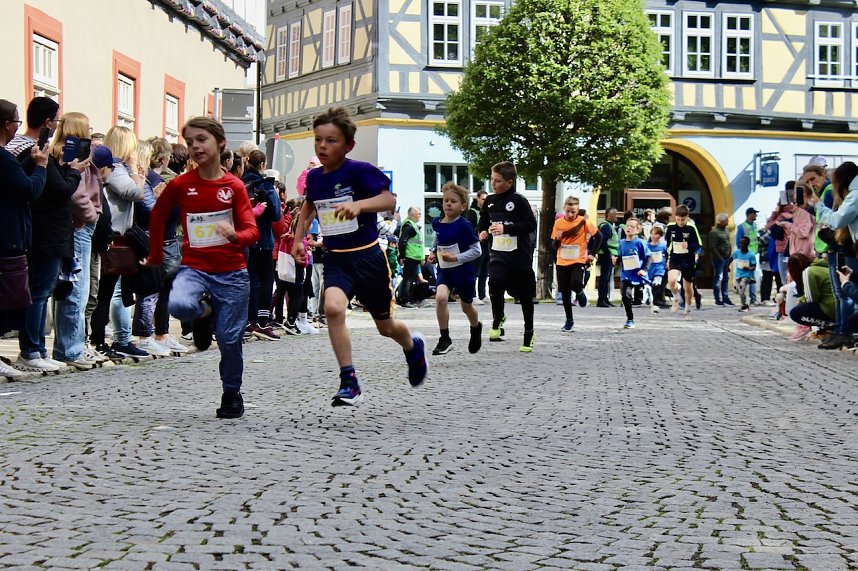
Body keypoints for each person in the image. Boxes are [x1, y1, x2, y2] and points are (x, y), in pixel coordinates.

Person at [290, 107, 428, 407]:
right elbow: (308, 208)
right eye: (318, 140)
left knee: (385, 326)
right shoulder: (314, 178)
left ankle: (412, 346)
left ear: (348, 145)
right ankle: (349, 380)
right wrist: (298, 239)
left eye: (331, 140)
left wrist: (359, 206)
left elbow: (389, 200)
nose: (323, 146)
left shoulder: (359, 171)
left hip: (368, 259)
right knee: (333, 308)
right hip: (337, 258)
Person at [148, 117, 259, 418]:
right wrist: (155, 256)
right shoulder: (182, 184)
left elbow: (253, 231)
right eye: (190, 142)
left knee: (229, 339)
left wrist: (236, 235)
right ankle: (203, 314)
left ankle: (231, 393)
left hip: (232, 273)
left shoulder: (233, 186)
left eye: (202, 139)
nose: (195, 146)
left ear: (220, 143)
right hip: (195, 268)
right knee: (179, 304)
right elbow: (157, 216)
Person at [14, 99, 89, 372]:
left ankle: (38, 349)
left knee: (42, 293)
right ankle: (31, 350)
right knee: (38, 293)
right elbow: (55, 189)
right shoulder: (33, 152)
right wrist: (73, 171)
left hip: (49, 233)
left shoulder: (41, 153)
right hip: (44, 234)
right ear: (47, 122)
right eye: (55, 122)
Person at [89, 126, 149, 360]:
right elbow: (136, 193)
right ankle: (100, 340)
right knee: (105, 292)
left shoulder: (114, 168)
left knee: (108, 291)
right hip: (111, 236)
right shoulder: (115, 169)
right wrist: (135, 171)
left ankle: (104, 339)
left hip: (113, 235)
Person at [0, 99, 49, 379]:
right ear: (7, 125)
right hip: (8, 237)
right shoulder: (3, 158)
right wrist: (40, 166)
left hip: (10, 234)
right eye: (17, 122)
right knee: (11, 300)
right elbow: (29, 190)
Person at [51, 112, 103, 369]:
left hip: (78, 226)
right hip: (80, 226)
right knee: (76, 290)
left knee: (70, 289)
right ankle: (70, 349)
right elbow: (77, 194)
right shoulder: (73, 156)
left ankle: (68, 346)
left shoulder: (64, 152)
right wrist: (92, 214)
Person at [476, 161, 538, 352]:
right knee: (495, 283)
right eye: (492, 180)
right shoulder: (490, 201)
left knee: (524, 295)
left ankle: (529, 333)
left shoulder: (519, 201)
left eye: (497, 180)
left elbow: (530, 225)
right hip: (498, 253)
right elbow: (483, 221)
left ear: (509, 182)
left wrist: (507, 228)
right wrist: (482, 232)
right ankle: (498, 318)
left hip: (519, 256)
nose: (493, 184)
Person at [806, 161, 858, 349]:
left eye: (813, 179)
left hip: (845, 249)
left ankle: (844, 332)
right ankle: (842, 331)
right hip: (846, 248)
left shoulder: (854, 195)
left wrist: (819, 206)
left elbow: (836, 220)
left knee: (846, 290)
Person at [428, 182, 482, 355]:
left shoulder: (464, 226)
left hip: (463, 272)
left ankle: (475, 327)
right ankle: (445, 338)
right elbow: (438, 238)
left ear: (462, 206)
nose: (448, 204)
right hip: (445, 270)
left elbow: (477, 250)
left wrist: (456, 257)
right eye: (445, 201)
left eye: (453, 201)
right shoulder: (438, 223)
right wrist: (432, 252)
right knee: (441, 298)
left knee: (466, 307)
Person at [242, 150, 282, 340]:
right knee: (266, 280)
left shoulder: (240, 183)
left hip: (244, 239)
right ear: (262, 165)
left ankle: (248, 321)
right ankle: (263, 322)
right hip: (263, 239)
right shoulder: (266, 185)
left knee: (250, 280)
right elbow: (275, 215)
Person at [551, 195, 600, 332]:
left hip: (578, 260)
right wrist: (558, 239)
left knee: (576, 283)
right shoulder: (558, 223)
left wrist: (592, 253)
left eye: (573, 212)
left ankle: (579, 291)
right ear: (564, 209)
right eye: (568, 211)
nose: (570, 214)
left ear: (578, 211)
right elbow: (554, 246)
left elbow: (598, 236)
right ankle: (569, 320)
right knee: (565, 293)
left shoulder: (583, 222)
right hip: (562, 261)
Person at [665, 204, 702, 316]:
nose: (680, 222)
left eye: (683, 219)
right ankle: (676, 298)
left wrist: (690, 246)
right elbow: (667, 243)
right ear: (675, 217)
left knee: (687, 286)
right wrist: (667, 257)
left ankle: (687, 307)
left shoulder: (691, 227)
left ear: (687, 217)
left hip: (688, 259)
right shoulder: (670, 227)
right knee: (671, 281)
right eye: (678, 219)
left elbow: (698, 245)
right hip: (675, 258)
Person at [787, 253, 835, 332]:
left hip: (830, 308)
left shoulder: (808, 272)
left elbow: (811, 298)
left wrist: (801, 300)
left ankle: (831, 324)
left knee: (795, 313)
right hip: (837, 305)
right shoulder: (821, 266)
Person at [617, 218, 648, 329]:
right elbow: (620, 257)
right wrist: (615, 259)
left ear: (638, 230)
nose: (628, 228)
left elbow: (648, 257)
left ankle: (642, 291)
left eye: (632, 226)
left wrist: (644, 269)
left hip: (638, 274)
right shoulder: (621, 242)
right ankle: (630, 319)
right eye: (627, 226)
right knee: (625, 294)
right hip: (626, 274)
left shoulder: (640, 242)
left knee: (637, 296)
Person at [398, 206, 425, 307]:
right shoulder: (409, 226)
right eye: (419, 214)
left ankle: (410, 299)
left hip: (413, 256)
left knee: (411, 279)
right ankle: (406, 300)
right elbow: (402, 241)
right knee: (408, 279)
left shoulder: (413, 225)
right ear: (412, 215)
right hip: (410, 256)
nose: (420, 216)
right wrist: (402, 255)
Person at [466, 190, 490, 304]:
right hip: (476, 244)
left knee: (484, 271)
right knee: (475, 271)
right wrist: (478, 236)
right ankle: (472, 295)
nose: (485, 201)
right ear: (478, 199)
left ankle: (482, 294)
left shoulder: (487, 212)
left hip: (487, 244)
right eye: (483, 199)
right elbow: (470, 229)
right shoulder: (472, 212)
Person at [735, 207, 760, 305]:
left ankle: (752, 298)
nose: (756, 215)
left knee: (752, 277)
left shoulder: (754, 225)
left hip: (753, 254)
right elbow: (738, 242)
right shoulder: (742, 227)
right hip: (745, 256)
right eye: (754, 213)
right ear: (749, 214)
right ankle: (745, 297)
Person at [707, 213, 733, 306]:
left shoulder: (726, 230)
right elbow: (712, 247)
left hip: (726, 258)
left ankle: (725, 297)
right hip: (719, 259)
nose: (728, 222)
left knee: (726, 278)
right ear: (722, 221)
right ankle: (717, 298)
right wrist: (720, 258)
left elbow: (727, 243)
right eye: (726, 220)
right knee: (718, 278)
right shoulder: (714, 232)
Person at [596, 207, 620, 307]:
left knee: (606, 278)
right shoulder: (606, 226)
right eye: (615, 214)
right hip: (606, 255)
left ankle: (605, 299)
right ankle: (601, 299)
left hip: (609, 255)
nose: (617, 216)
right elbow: (603, 242)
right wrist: (610, 255)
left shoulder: (610, 226)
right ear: (609, 215)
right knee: (604, 278)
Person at [646, 225, 669, 312]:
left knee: (657, 284)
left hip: (659, 269)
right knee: (650, 285)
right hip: (650, 268)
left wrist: (667, 262)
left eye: (656, 234)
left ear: (660, 236)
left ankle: (657, 300)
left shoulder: (663, 246)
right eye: (652, 234)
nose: (653, 236)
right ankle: (651, 299)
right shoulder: (646, 246)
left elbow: (667, 256)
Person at [730, 236, 757, 312]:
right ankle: (744, 304)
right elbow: (731, 258)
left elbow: (754, 267)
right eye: (740, 243)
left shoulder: (751, 255)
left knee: (741, 289)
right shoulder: (737, 252)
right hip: (738, 274)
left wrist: (748, 268)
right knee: (736, 289)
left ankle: (744, 305)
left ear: (747, 244)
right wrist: (727, 266)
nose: (741, 245)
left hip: (746, 275)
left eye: (743, 243)